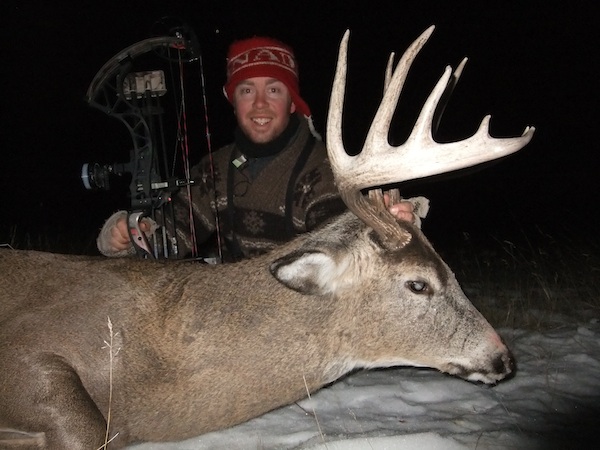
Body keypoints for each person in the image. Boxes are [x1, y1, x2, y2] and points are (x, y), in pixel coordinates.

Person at [97, 36, 427, 261]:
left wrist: (383, 225)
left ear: (293, 102)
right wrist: (128, 235)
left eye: (273, 90)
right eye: (245, 90)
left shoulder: (327, 171)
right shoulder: (216, 168)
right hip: (230, 307)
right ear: (233, 100)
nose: (258, 105)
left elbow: (340, 245)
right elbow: (172, 236)